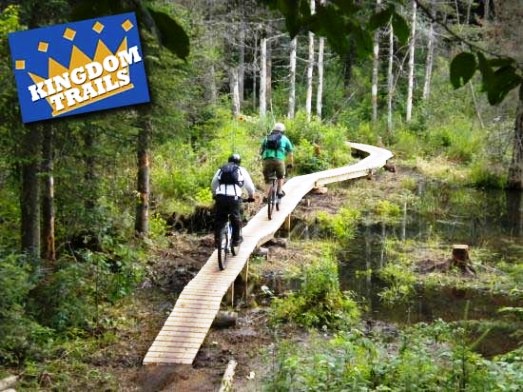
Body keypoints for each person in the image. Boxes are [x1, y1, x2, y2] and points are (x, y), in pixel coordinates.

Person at [211, 153, 255, 247]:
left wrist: (215, 194)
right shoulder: (241, 170)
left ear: (228, 160)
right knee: (235, 217)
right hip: (234, 198)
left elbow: (213, 183)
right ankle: (236, 240)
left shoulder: (221, 169)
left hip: (221, 197)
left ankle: (217, 240)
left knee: (220, 218)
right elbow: (249, 186)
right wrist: (251, 196)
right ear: (239, 162)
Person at [260, 122, 294, 198]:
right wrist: (290, 163)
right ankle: (279, 191)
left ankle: (266, 195)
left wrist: (264, 159)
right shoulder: (284, 138)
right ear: (283, 131)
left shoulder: (267, 137)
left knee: (267, 179)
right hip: (279, 160)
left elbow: (261, 151)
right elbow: (290, 152)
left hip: (267, 160)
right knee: (280, 176)